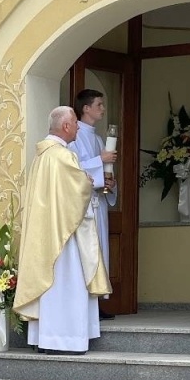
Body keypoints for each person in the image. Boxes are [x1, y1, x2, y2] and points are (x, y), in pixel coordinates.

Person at [15, 107, 112, 354]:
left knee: (51, 286)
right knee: (68, 283)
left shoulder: (42, 155)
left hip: (48, 233)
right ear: (66, 126)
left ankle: (44, 339)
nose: (78, 128)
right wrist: (88, 182)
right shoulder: (62, 156)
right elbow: (76, 191)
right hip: (66, 237)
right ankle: (67, 338)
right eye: (76, 124)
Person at [72, 89, 119, 275]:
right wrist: (100, 159)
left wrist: (111, 184)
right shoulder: (73, 138)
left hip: (99, 204)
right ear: (86, 108)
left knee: (100, 251)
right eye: (99, 104)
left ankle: (98, 300)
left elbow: (105, 172)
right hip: (83, 206)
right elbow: (73, 170)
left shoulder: (98, 138)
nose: (103, 108)